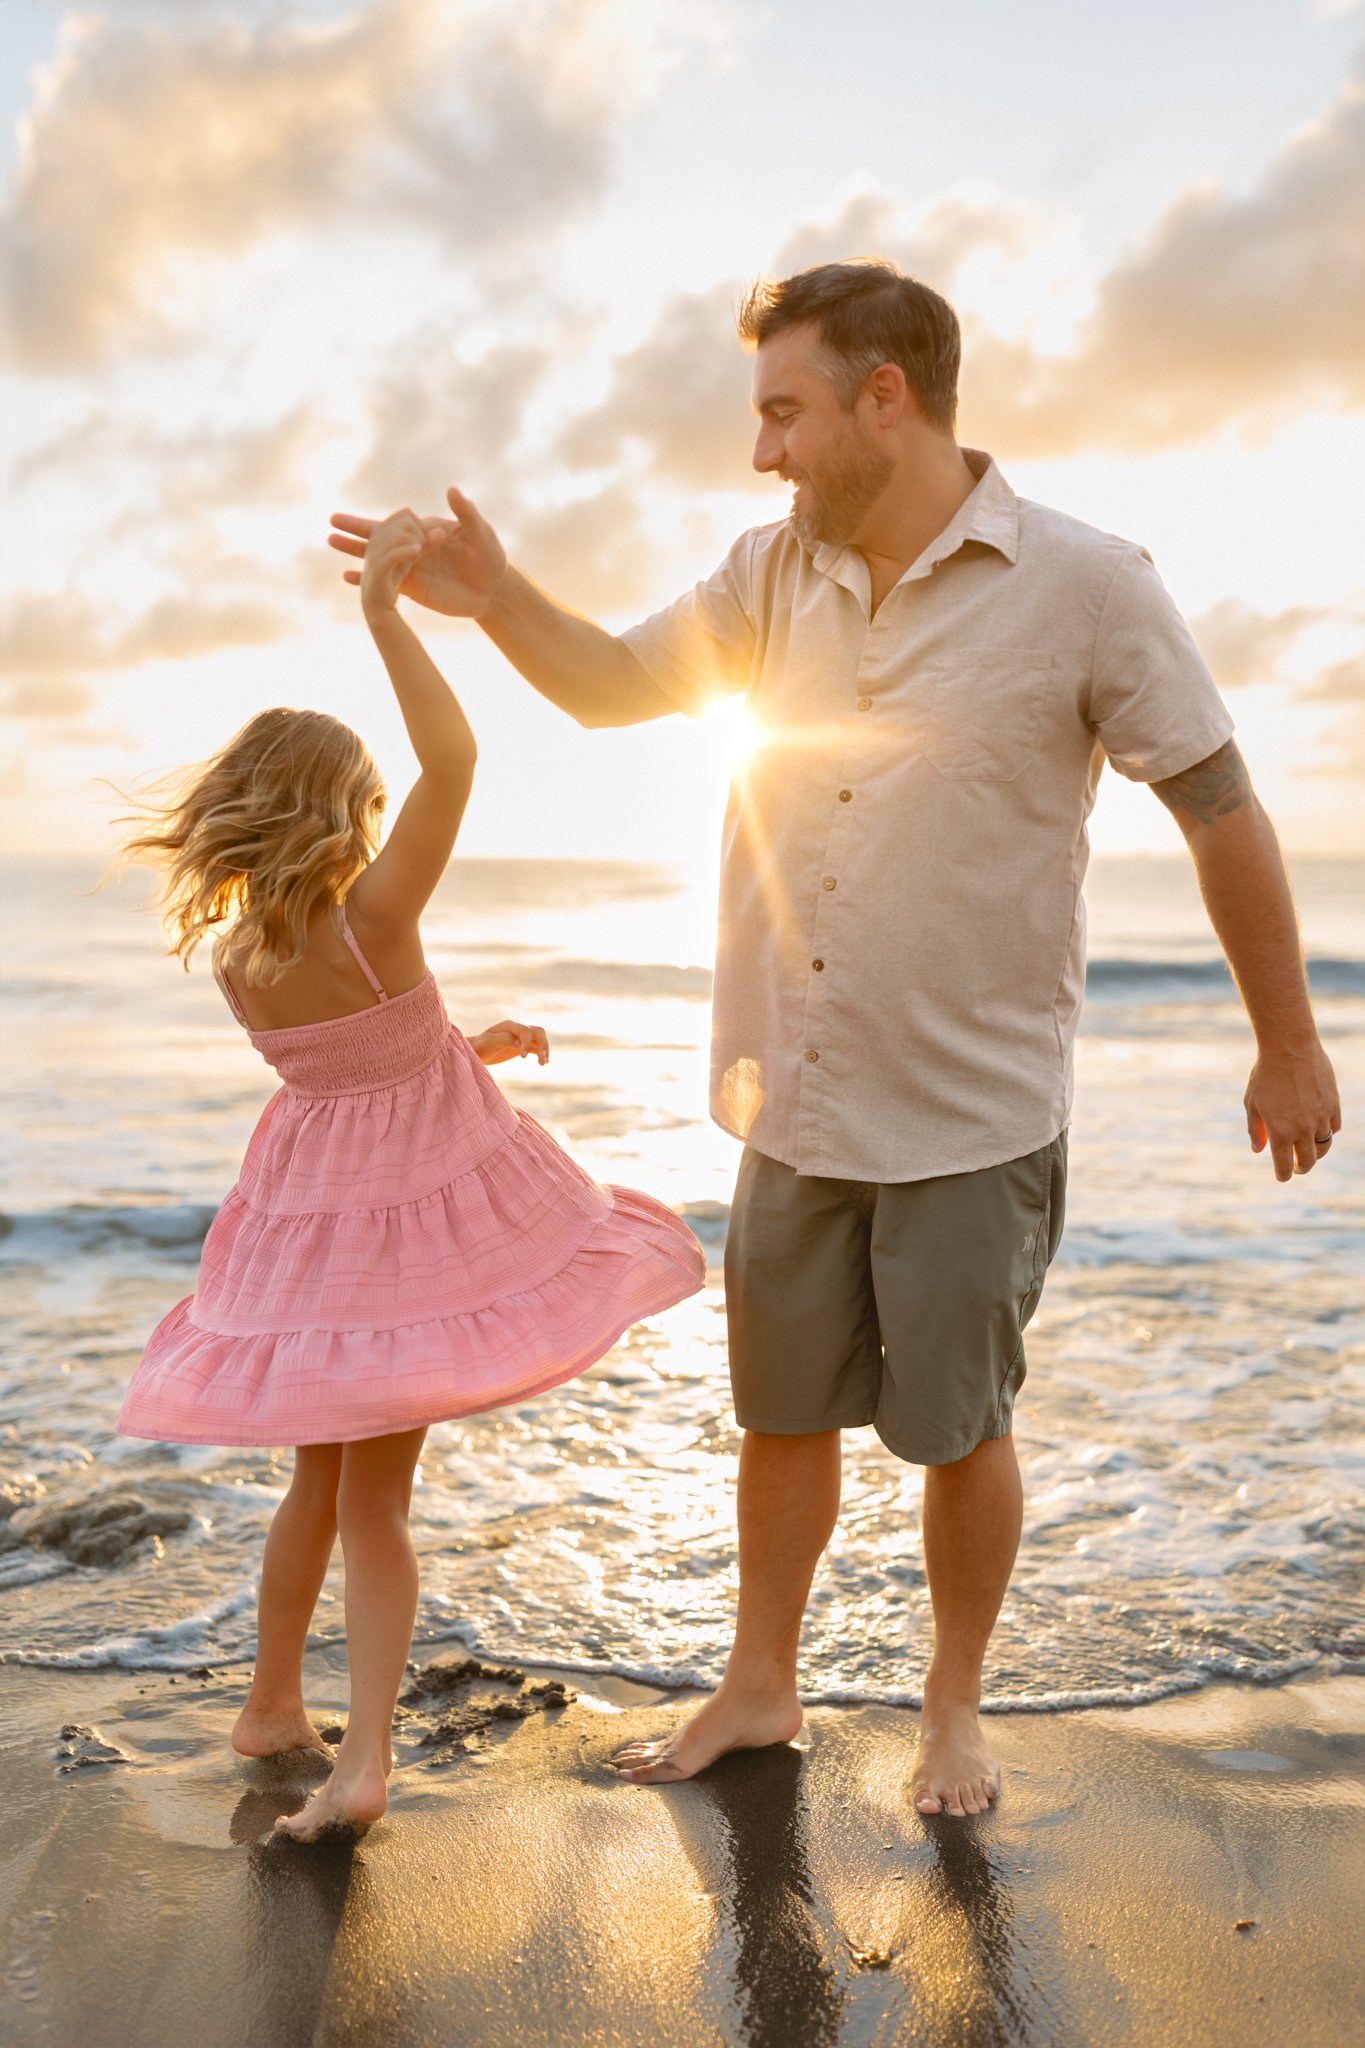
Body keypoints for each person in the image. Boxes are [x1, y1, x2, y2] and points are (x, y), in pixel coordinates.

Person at [328, 262, 1341, 1821]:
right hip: (785, 1095)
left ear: (887, 398)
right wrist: (500, 595)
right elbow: (608, 689)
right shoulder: (763, 577)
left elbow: (1216, 803)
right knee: (778, 1416)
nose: (764, 453)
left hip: (971, 1109)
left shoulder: (1087, 582)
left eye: (783, 412)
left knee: (957, 1433)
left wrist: (1285, 1040)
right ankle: (757, 1683)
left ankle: (952, 1711)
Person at [117, 508, 705, 1841]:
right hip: (399, 1234)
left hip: (303, 1224)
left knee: (315, 1485)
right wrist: (385, 615)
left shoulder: (240, 962)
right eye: (370, 810)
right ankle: (363, 1761)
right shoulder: (376, 913)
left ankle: (272, 1705)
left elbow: (350, 1062)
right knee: (378, 1501)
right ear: (342, 814)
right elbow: (460, 753)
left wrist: (465, 1038)